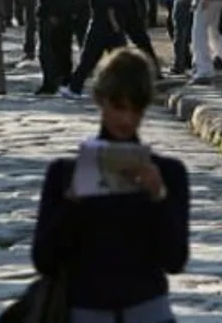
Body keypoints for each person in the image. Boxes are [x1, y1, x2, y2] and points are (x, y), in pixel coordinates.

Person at [32, 47, 189, 321]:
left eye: (136, 107)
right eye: (118, 106)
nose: (126, 119)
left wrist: (159, 197)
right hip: (87, 311)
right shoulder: (65, 174)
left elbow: (175, 260)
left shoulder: (168, 173)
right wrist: (71, 202)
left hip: (147, 310)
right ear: (99, 100)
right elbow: (44, 260)